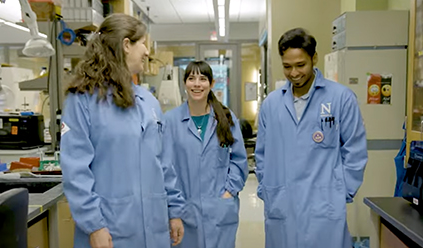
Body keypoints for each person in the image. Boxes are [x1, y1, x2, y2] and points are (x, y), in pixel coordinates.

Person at [60, 13, 184, 248]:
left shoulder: (149, 102)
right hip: (110, 230)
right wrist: (93, 224)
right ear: (126, 45)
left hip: (155, 229)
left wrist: (174, 211)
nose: (147, 51)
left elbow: (165, 164)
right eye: (143, 43)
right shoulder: (83, 99)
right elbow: (75, 170)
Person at [255, 28, 368, 248]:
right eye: (287, 66)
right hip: (282, 204)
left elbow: (355, 150)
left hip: (324, 206)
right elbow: (262, 154)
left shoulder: (340, 98)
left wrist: (340, 191)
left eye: (301, 65)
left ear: (314, 58)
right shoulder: (272, 104)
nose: (294, 73)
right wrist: (267, 189)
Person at [163, 61, 248, 248]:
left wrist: (228, 192)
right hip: (185, 210)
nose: (197, 84)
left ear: (211, 84)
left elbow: (239, 160)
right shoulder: (170, 121)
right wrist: (174, 209)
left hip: (219, 209)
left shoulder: (226, 118)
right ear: (184, 83)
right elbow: (166, 168)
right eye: (191, 79)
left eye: (202, 79)